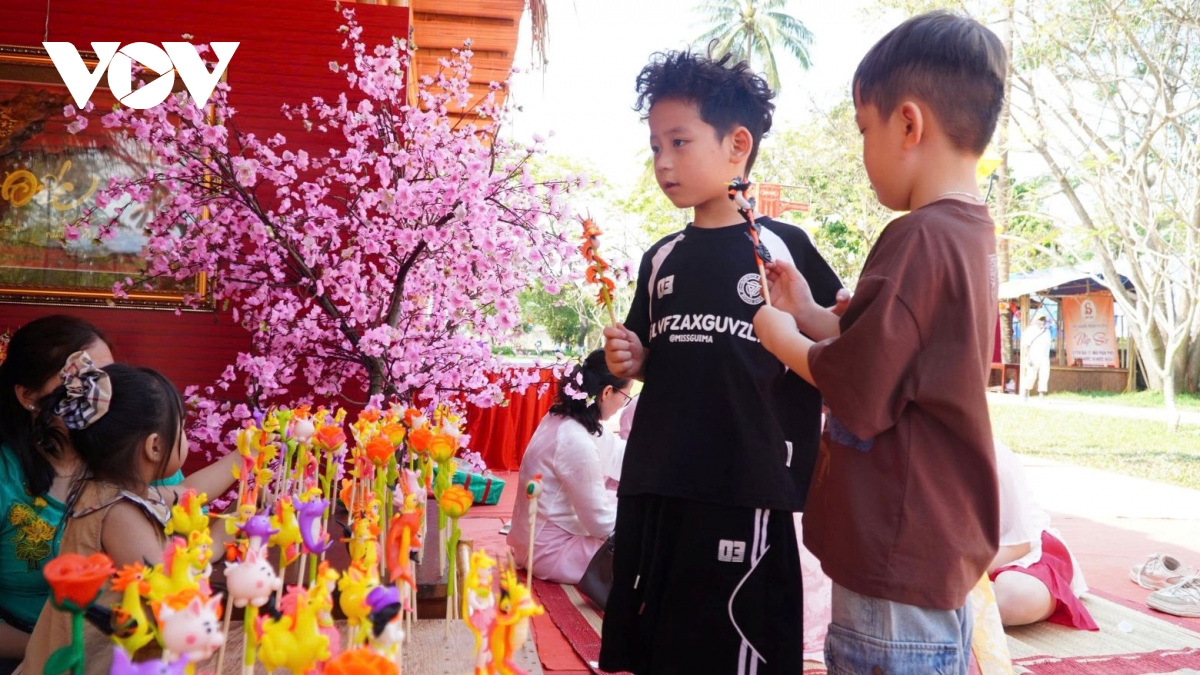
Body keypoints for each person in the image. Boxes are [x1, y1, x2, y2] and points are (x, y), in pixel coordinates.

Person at [753, 11, 1006, 674]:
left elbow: (862, 386)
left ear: (909, 124)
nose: (863, 149)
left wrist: (783, 339)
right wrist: (809, 311)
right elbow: (897, 354)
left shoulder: (917, 237)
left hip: (894, 555)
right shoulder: (971, 235)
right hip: (931, 548)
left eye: (865, 129)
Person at [600, 49, 843, 674]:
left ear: (738, 145)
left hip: (743, 483)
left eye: (679, 142)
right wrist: (633, 358)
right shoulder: (661, 257)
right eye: (655, 146)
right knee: (661, 642)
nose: (662, 161)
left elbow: (838, 343)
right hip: (658, 477)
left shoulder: (782, 247)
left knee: (737, 644)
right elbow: (655, 358)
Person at [0, 315, 236, 665]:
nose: (106, 399)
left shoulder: (111, 475)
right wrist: (215, 544)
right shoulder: (117, 505)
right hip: (71, 659)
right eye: (86, 382)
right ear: (29, 396)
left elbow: (180, 493)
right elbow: (163, 584)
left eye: (109, 380)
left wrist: (247, 457)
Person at [19, 359, 191, 674]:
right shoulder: (120, 514)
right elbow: (167, 591)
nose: (186, 438)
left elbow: (183, 495)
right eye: (182, 429)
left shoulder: (103, 490)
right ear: (154, 446)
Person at [507, 349, 629, 584]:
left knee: (622, 502)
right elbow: (601, 524)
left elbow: (618, 455)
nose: (623, 404)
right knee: (648, 546)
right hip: (551, 551)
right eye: (625, 396)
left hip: (535, 538)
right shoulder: (575, 440)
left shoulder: (563, 419)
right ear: (606, 392)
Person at [989, 439, 1096, 629]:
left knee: (1013, 597)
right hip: (955, 562)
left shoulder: (992, 454)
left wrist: (952, 577)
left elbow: (1018, 547)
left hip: (1022, 555)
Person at [1021, 315, 1053, 400]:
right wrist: (1028, 357)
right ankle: (1025, 391)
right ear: (1036, 320)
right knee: (1031, 375)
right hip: (1033, 356)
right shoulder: (1030, 330)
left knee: (1044, 375)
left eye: (1043, 320)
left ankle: (1041, 394)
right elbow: (1026, 345)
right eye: (1041, 319)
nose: (1042, 321)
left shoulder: (1047, 331)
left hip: (1044, 357)